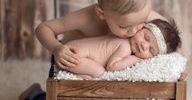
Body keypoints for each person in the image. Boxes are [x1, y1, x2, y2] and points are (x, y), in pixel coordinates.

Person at [18, 0, 186, 100]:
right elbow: (43, 28)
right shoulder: (86, 18)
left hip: (102, 70)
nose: (134, 31)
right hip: (71, 63)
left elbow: (171, 37)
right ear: (102, 13)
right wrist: (57, 48)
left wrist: (181, 65)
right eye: (124, 26)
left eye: (141, 23)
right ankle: (34, 94)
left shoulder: (139, 14)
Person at [53, 19, 181, 79]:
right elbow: (112, 67)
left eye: (151, 51)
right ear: (140, 27)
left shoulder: (124, 39)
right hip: (73, 56)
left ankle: (79, 74)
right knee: (100, 72)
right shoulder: (124, 45)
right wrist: (134, 59)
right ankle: (79, 76)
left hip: (74, 52)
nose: (144, 45)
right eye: (146, 37)